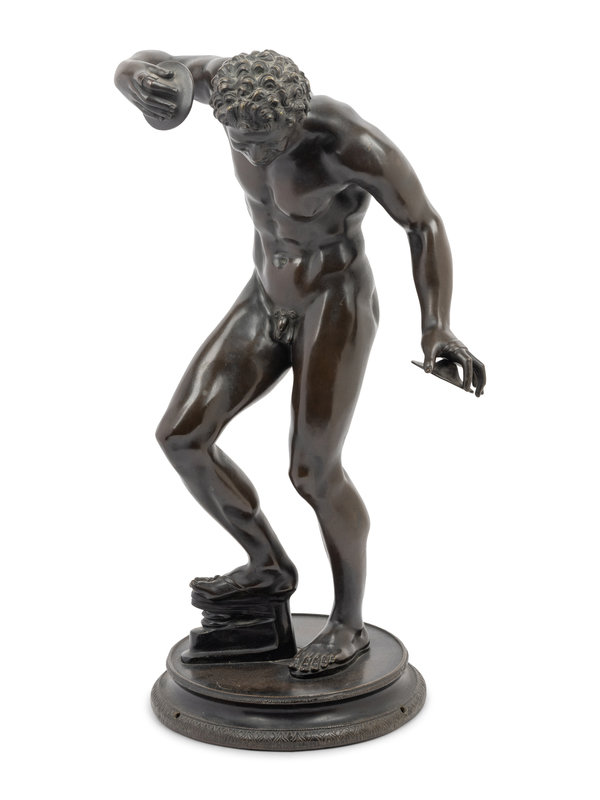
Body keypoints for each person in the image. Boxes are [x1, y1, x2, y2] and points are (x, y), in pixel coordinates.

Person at [115, 49, 486, 677]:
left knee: (313, 471)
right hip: (264, 296)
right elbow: (152, 64)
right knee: (181, 437)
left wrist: (437, 325)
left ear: (294, 121)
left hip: (333, 301)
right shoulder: (225, 88)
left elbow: (423, 223)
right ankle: (268, 566)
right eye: (240, 141)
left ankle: (349, 624)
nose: (253, 154)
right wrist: (132, 79)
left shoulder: (348, 142)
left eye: (266, 143)